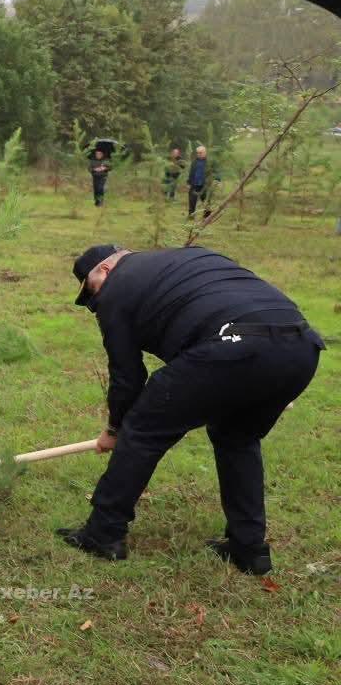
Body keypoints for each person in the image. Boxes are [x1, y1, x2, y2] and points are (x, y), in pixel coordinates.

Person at [58, 244, 323, 575]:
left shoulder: (117, 288)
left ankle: (103, 533)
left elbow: (127, 377)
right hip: (301, 347)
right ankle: (249, 548)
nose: (96, 305)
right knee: (237, 438)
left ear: (105, 271)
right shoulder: (186, 258)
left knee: (142, 428)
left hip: (235, 344)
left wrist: (115, 429)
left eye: (91, 292)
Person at [187, 145, 210, 218]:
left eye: (200, 153)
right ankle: (191, 215)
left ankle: (207, 216)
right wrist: (188, 182)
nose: (199, 154)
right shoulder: (194, 162)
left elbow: (215, 172)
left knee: (206, 200)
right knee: (192, 200)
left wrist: (218, 180)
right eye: (197, 153)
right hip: (194, 184)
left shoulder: (209, 162)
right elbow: (191, 172)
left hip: (205, 184)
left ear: (205, 153)